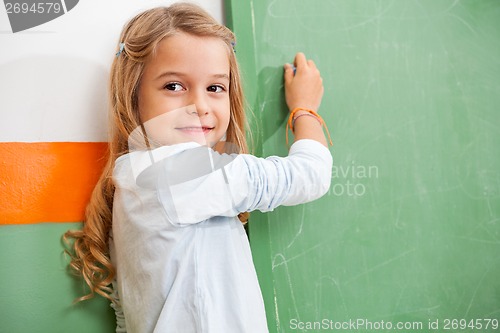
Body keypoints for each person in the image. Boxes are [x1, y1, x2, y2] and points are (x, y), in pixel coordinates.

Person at [64, 3, 332, 333]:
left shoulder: (134, 180)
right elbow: (309, 176)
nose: (200, 106)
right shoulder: (181, 173)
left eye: (215, 87)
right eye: (174, 86)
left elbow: (128, 315)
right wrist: (304, 109)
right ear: (133, 94)